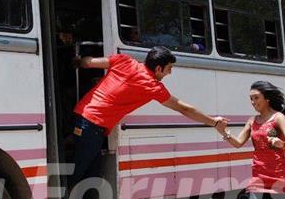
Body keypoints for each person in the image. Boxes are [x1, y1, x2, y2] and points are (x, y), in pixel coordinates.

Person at [71, 46, 228, 187]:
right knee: (79, 169)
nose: (170, 72)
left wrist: (77, 61)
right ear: (158, 68)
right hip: (91, 124)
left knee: (92, 170)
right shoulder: (152, 86)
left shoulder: (124, 60)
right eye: (169, 68)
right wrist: (213, 121)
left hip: (83, 115)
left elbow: (88, 63)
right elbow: (184, 109)